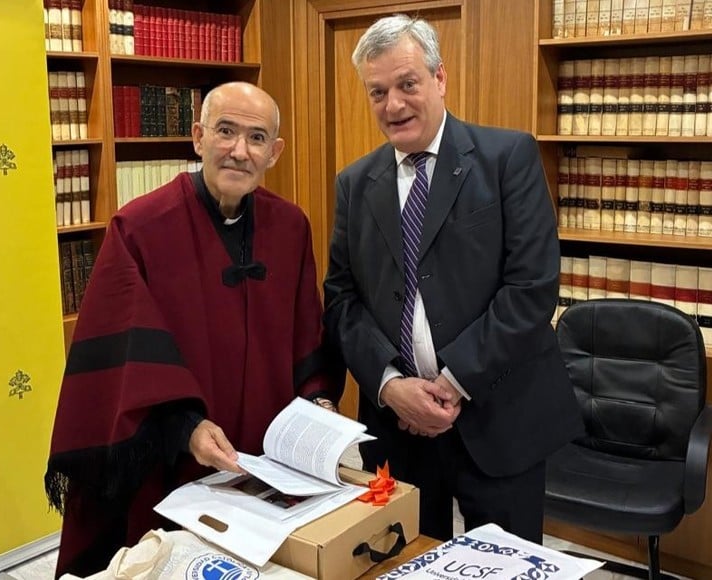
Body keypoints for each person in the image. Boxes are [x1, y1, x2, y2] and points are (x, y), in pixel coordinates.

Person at [45, 82, 341, 577]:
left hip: (267, 468)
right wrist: (185, 428)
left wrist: (319, 404)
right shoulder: (138, 228)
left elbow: (307, 335)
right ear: (199, 136)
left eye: (257, 138)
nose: (239, 151)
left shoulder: (291, 227)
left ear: (275, 152)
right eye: (226, 131)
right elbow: (122, 363)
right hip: (170, 467)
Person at [323, 15, 583, 543]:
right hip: (399, 431)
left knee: (506, 568)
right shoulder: (354, 183)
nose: (393, 105)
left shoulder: (507, 157)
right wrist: (391, 386)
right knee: (404, 563)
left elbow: (531, 288)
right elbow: (342, 300)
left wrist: (451, 383)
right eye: (377, 92)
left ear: (440, 78)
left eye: (407, 84)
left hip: (502, 420)